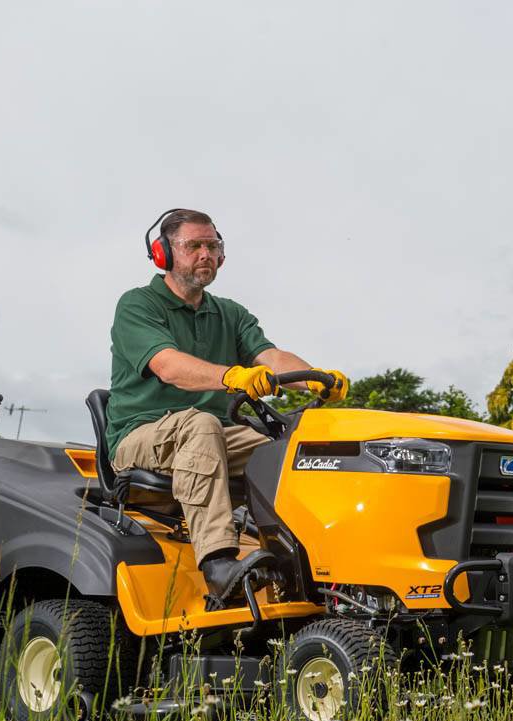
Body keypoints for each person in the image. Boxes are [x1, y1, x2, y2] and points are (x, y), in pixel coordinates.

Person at [106, 208, 348, 606]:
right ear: (163, 253)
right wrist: (231, 376)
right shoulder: (138, 305)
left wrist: (317, 377)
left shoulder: (229, 313)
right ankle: (219, 566)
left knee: (284, 451)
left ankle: (307, 564)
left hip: (213, 435)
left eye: (212, 246)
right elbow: (168, 366)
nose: (205, 254)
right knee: (200, 424)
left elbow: (269, 355)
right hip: (140, 436)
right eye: (193, 246)